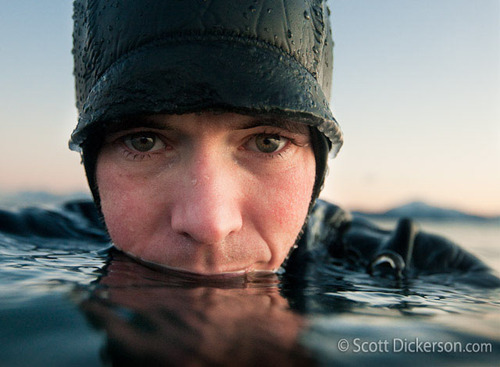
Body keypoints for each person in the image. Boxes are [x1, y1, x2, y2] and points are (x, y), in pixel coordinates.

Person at [1, 0, 498, 286]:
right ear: (94, 164)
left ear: (317, 164)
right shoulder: (24, 242)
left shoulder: (422, 275)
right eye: (145, 140)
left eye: (266, 142)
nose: (209, 224)